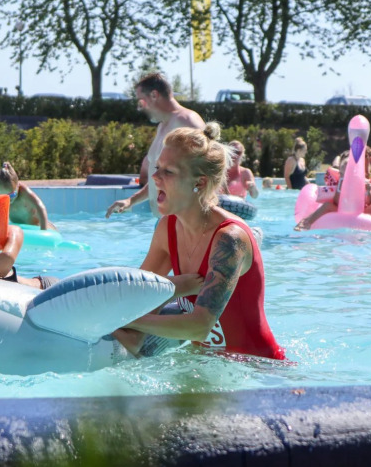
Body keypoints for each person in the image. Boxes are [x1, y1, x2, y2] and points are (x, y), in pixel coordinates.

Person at [111, 122, 286, 360]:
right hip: (206, 365)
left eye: (168, 171)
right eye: (157, 167)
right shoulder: (167, 229)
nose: (155, 177)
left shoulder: (229, 239)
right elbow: (140, 296)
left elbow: (200, 326)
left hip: (257, 372)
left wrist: (127, 320)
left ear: (200, 183)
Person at [105, 73, 205, 219]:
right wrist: (131, 201)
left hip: (184, 224)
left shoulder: (186, 121)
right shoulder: (162, 126)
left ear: (154, 95)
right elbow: (157, 179)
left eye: (141, 101)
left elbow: (210, 168)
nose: (140, 107)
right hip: (165, 222)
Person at [294, 146, 371, 230]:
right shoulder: (338, 181)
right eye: (344, 168)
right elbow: (336, 201)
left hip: (362, 208)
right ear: (340, 171)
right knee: (327, 205)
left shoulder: (363, 181)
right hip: (341, 208)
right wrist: (340, 185)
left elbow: (370, 202)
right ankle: (308, 222)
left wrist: (368, 191)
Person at [0, 162, 56, 230]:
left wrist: (44, 230)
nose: (9, 199)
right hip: (20, 227)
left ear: (18, 185)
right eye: (4, 196)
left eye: (12, 195)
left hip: (36, 226)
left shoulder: (24, 191)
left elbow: (41, 207)